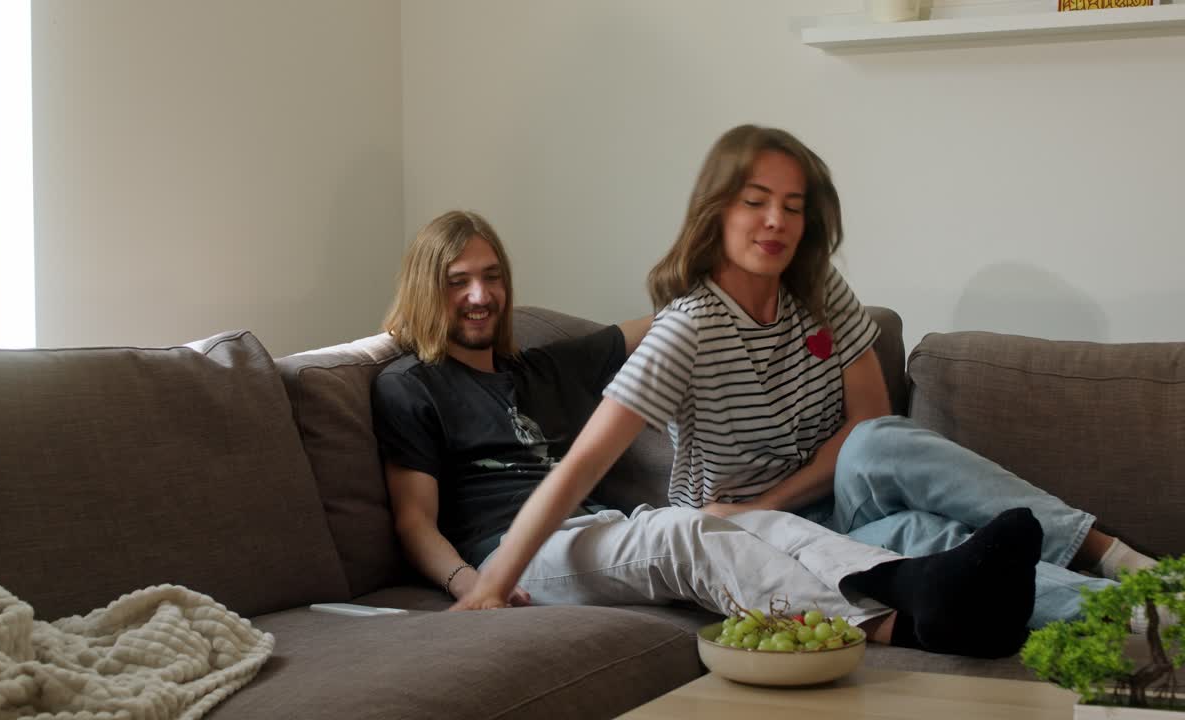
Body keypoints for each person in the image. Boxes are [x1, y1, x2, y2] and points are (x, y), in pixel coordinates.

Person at [456, 124, 1157, 635]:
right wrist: (494, 580)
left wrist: (777, 496)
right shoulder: (687, 329)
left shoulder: (821, 295)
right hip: (758, 536)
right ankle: (1148, 616)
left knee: (878, 443)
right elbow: (581, 466)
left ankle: (1115, 554)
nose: (776, 221)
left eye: (793, 206)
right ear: (717, 211)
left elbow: (868, 427)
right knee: (931, 542)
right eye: (756, 200)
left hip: (824, 502)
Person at [373, 209, 1042, 659]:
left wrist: (756, 274)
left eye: (491, 277)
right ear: (428, 288)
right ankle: (899, 628)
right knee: (683, 533)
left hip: (601, 529)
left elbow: (674, 318)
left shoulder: (541, 368)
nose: (481, 295)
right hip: (517, 556)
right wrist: (471, 585)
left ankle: (917, 585)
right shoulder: (410, 385)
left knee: (759, 523)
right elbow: (414, 521)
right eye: (459, 282)